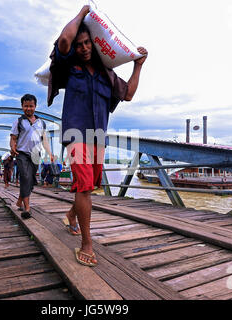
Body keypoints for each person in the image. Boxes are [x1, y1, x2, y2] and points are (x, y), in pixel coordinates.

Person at [48, 5, 148, 267]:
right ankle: (87, 243)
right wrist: (82, 14)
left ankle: (72, 215)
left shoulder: (106, 73)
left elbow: (127, 94)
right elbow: (65, 41)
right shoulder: (69, 67)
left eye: (87, 42)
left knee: (89, 185)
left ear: (95, 43)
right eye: (80, 44)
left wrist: (138, 66)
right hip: (75, 132)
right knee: (84, 184)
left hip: (97, 136)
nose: (83, 47)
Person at [10, 94, 54, 219]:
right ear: (22, 107)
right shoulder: (18, 122)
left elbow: (44, 140)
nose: (28, 109)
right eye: (25, 106)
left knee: (30, 179)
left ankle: (19, 200)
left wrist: (50, 153)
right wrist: (13, 146)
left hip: (36, 154)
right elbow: (13, 138)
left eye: (31, 106)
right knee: (25, 176)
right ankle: (27, 208)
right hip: (22, 153)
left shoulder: (41, 123)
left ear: (35, 106)